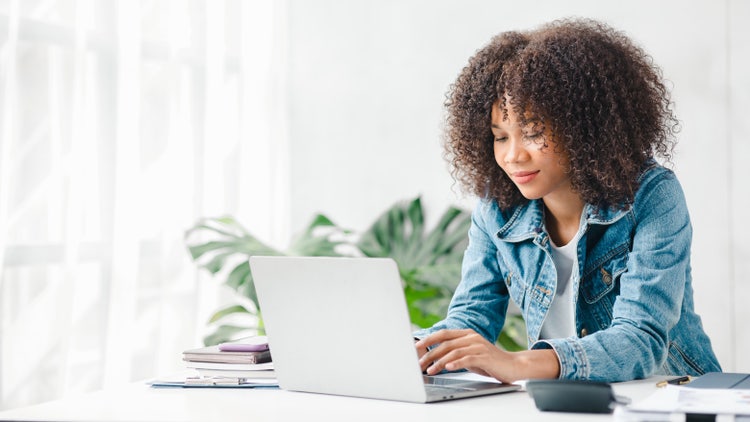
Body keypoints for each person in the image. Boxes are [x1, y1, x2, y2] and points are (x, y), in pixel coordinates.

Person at [413, 18, 721, 383]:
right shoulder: (497, 208)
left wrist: (518, 364)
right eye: (499, 137)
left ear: (584, 128)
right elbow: (469, 323)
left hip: (673, 396)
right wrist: (408, 352)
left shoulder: (652, 196)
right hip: (568, 401)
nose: (513, 156)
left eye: (532, 133)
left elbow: (641, 340)